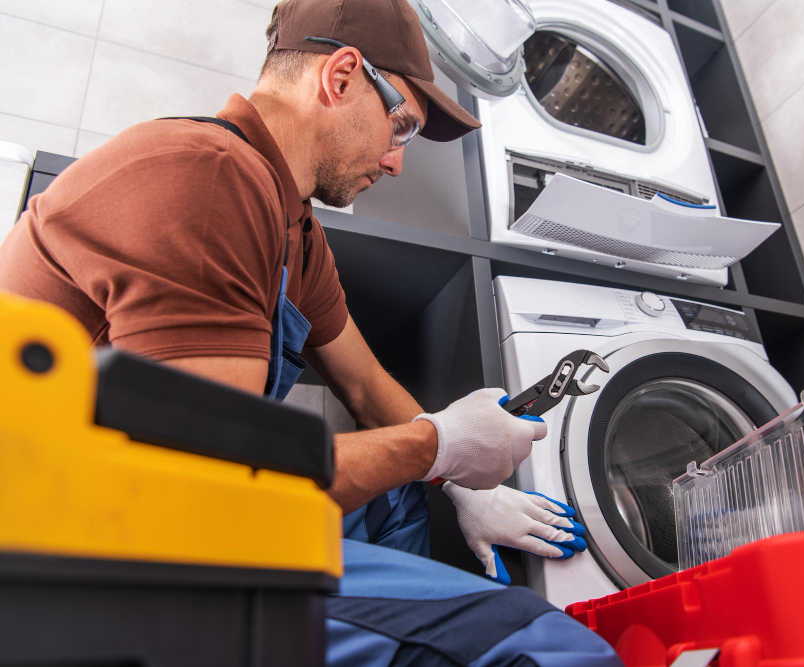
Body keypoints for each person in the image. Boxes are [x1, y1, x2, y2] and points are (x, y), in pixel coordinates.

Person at [0, 0, 621, 663]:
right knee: (547, 644)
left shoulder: (289, 220)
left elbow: (364, 379)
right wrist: (437, 444)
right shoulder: (207, 178)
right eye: (401, 125)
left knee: (400, 498)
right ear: (342, 76)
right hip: (80, 554)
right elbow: (216, 483)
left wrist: (463, 483)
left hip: (169, 508)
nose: (396, 162)